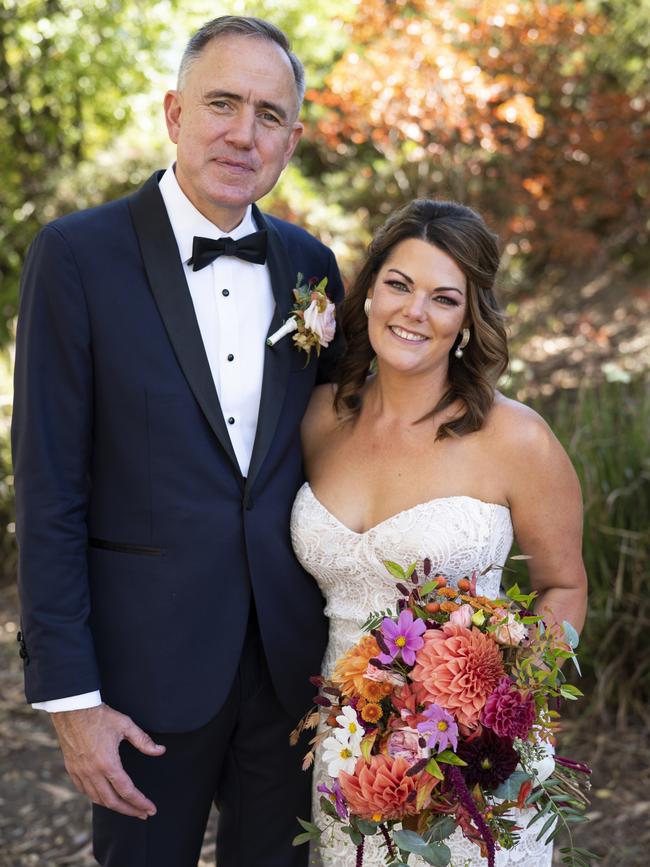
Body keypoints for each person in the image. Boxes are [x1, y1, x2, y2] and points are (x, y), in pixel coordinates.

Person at [12, 16, 343, 867]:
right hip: (140, 681)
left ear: (292, 138)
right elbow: (50, 493)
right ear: (174, 112)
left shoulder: (312, 269)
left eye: (269, 115)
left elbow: (345, 451)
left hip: (290, 673)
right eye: (222, 103)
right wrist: (72, 701)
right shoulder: (76, 257)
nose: (244, 132)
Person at [290, 199, 588, 866]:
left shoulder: (517, 439)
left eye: (443, 297)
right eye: (398, 284)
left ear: (466, 319)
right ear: (367, 294)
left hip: (469, 765)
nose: (414, 311)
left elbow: (565, 585)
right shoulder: (315, 420)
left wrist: (497, 715)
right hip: (348, 756)